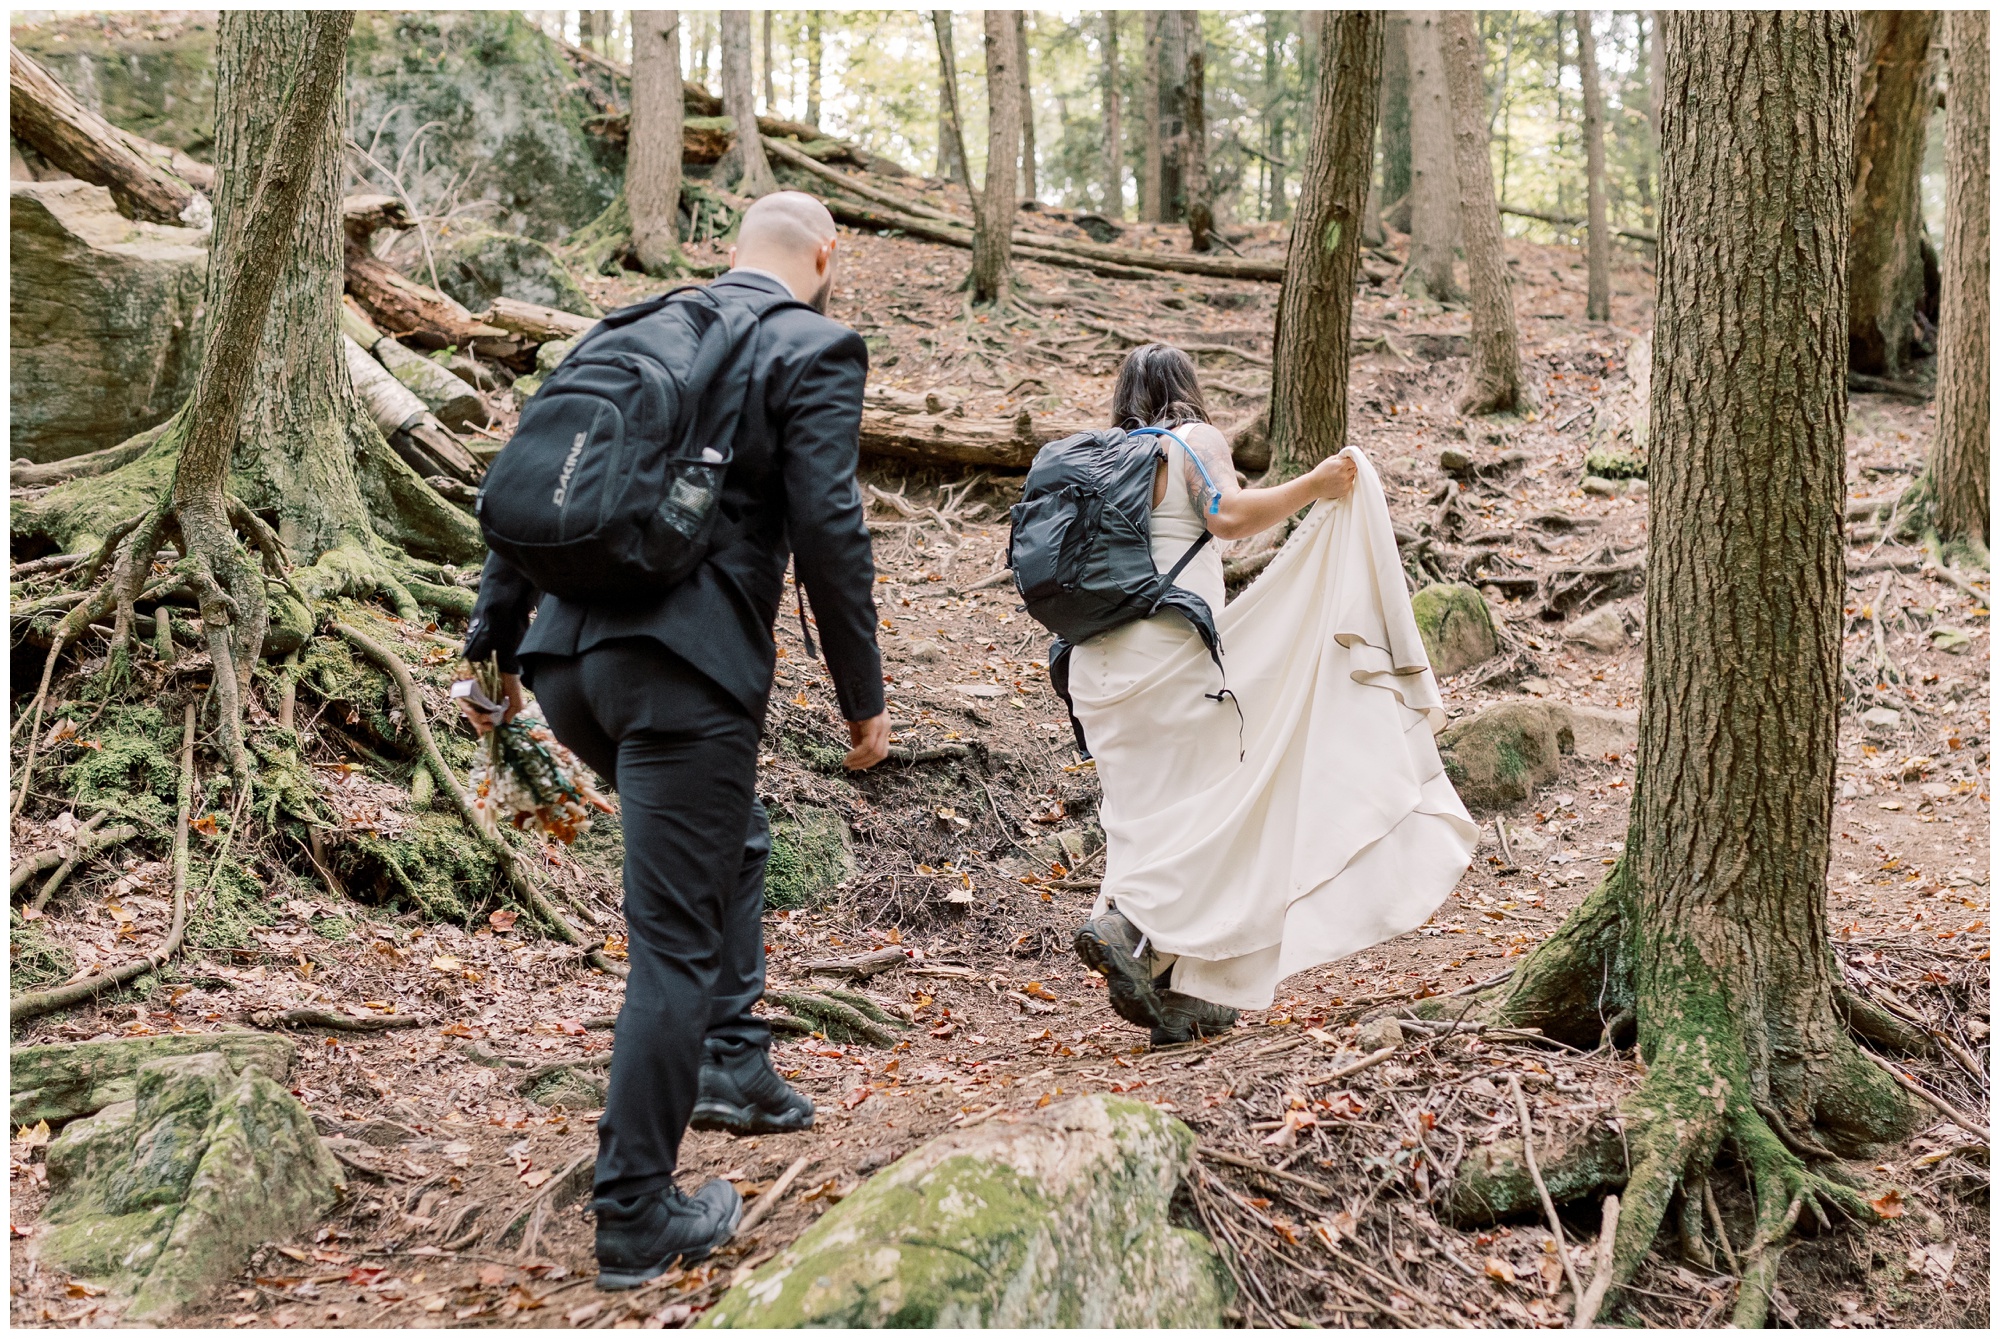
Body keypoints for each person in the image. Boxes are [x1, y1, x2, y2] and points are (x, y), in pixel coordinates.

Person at [457, 192, 891, 1289]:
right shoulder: (815, 344)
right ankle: (635, 1211)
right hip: (680, 677)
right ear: (824, 257)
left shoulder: (629, 326)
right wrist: (862, 701)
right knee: (673, 943)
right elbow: (829, 526)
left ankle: (735, 1064)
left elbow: (532, 481)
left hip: (566, 668)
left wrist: (491, 646)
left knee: (727, 843)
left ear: (727, 250)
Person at [1069, 344, 1478, 1045]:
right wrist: (1314, 487)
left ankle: (1179, 989)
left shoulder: (1099, 460)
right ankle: (1133, 924)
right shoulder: (1190, 439)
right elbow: (1227, 516)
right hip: (1168, 655)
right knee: (1222, 802)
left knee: (1148, 811)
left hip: (1092, 670)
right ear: (1185, 390)